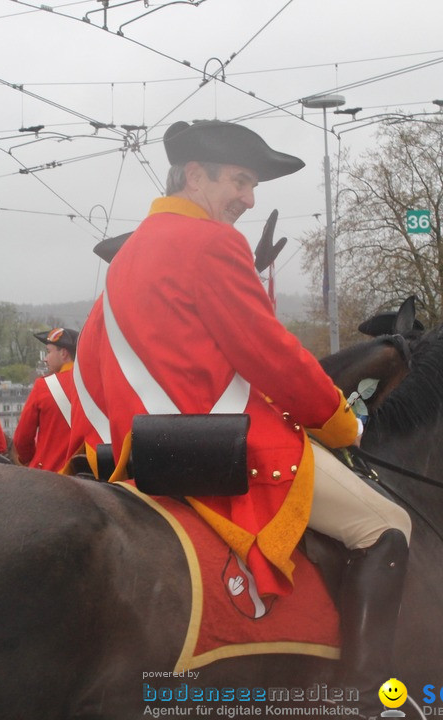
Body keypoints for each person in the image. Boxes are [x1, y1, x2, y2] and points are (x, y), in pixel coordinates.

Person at [69, 119, 411, 711]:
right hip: (236, 449)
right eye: (240, 181)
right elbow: (269, 353)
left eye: (254, 187)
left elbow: (95, 371)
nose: (249, 200)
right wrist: (338, 421)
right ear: (195, 175)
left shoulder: (127, 256)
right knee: (385, 526)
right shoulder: (212, 242)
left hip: (146, 453)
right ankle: (368, 696)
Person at [13, 328, 79, 471]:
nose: (45, 358)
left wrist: (26, 459)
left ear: (63, 353)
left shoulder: (43, 386)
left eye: (49, 352)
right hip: (92, 477)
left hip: (51, 472)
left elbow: (22, 439)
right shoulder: (94, 383)